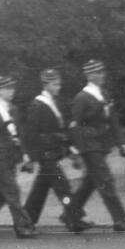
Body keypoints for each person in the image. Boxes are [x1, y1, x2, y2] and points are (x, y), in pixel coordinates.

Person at [66, 60, 125, 232]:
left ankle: (70, 215)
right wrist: (75, 151)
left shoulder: (104, 94)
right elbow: (74, 126)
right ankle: (120, 220)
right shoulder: (82, 98)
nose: (102, 75)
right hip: (89, 146)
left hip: (101, 144)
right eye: (97, 73)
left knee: (90, 182)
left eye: (102, 72)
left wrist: (122, 144)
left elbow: (113, 121)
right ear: (89, 76)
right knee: (105, 180)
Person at [22, 68, 87, 232]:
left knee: (40, 190)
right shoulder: (37, 104)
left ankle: (26, 220)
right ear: (47, 85)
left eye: (59, 83)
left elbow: (63, 129)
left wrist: (70, 151)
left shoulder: (55, 102)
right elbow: (31, 132)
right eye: (55, 84)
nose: (59, 87)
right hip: (46, 153)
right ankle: (74, 219)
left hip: (54, 151)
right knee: (63, 187)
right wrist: (30, 157)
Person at [0, 76, 37, 238]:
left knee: (1, 193)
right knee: (12, 191)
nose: (11, 92)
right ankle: (23, 226)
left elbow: (18, 136)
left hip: (11, 158)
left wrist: (24, 155)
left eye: (12, 88)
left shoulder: (14, 110)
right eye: (7, 89)